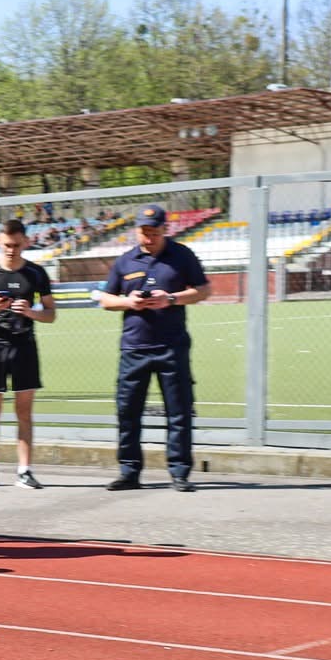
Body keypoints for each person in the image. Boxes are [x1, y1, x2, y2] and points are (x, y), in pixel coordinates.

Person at [99, 204, 208, 492]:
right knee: (128, 412)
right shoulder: (125, 261)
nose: (148, 238)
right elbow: (106, 299)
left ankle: (180, 472)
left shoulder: (182, 255)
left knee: (179, 411)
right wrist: (128, 302)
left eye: (154, 232)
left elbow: (204, 290)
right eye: (143, 232)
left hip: (172, 346)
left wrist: (170, 298)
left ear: (165, 229)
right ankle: (129, 472)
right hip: (134, 348)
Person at [0, 218, 55, 488]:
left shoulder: (37, 273)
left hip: (24, 344)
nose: (11, 250)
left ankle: (25, 470)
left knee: (24, 410)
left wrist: (30, 312)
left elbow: (51, 315)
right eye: (6, 245)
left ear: (26, 242)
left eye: (16, 245)